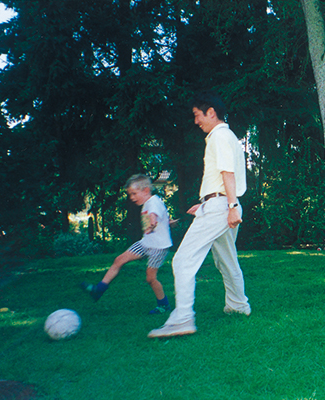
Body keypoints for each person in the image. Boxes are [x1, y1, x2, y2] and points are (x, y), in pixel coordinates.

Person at [148, 91, 250, 338]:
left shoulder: (219, 136)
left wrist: (231, 207)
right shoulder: (227, 136)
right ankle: (238, 305)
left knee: (183, 261)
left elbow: (228, 173)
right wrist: (205, 203)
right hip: (220, 205)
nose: (196, 121)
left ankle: (182, 318)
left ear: (211, 113)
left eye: (197, 115)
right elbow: (221, 178)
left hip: (223, 207)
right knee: (226, 259)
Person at [80, 174, 173, 314]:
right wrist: (167, 222)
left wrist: (152, 223)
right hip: (146, 242)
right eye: (130, 194)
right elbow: (162, 216)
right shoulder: (150, 202)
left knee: (151, 278)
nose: (132, 198)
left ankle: (164, 305)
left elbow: (153, 216)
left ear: (146, 190)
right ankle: (98, 289)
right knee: (119, 260)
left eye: (134, 194)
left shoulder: (153, 202)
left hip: (158, 247)